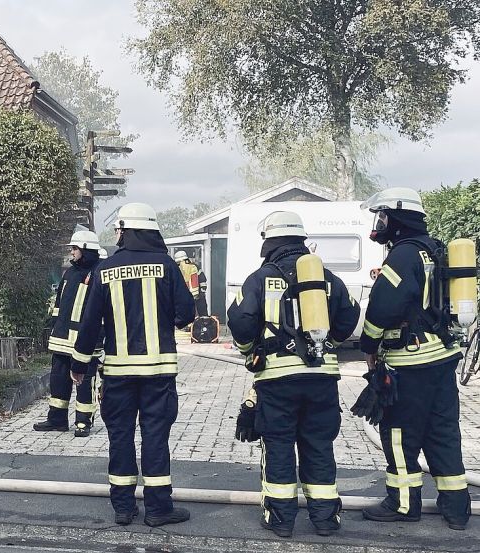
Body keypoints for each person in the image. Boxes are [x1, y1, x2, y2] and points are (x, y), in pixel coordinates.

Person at [227, 211, 360, 538]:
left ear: (270, 242)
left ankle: (281, 519)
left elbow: (240, 321)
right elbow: (351, 314)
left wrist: (250, 351)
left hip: (277, 379)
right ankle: (326, 519)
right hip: (322, 377)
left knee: (278, 445)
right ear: (300, 239)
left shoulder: (260, 279)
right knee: (318, 445)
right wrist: (329, 344)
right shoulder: (327, 278)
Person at [71, 203, 195, 528]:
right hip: (158, 373)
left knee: (120, 437)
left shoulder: (104, 269)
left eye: (119, 230)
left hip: (118, 374)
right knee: (155, 437)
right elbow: (187, 315)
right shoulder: (168, 266)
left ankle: (124, 509)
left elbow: (88, 323)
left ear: (127, 231)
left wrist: (79, 363)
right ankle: (157, 510)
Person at [357, 187, 470, 530]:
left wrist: (369, 345)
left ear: (397, 217)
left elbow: (383, 307)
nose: (380, 224)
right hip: (442, 358)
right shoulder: (434, 249)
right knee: (443, 433)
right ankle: (457, 509)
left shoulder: (403, 256)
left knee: (399, 434)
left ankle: (403, 504)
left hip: (411, 362)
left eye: (383, 216)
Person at [33, 230, 102, 437]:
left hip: (85, 343)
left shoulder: (98, 274)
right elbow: (59, 304)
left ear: (86, 249)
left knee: (84, 383)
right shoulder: (70, 273)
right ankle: (57, 419)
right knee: (58, 380)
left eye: (75, 248)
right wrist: (54, 324)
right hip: (61, 340)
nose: (71, 252)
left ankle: (83, 422)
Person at [174, 250, 208, 316]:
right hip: (197, 297)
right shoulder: (195, 267)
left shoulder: (176, 269)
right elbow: (203, 280)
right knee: (202, 317)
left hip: (184, 298)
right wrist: (202, 292)